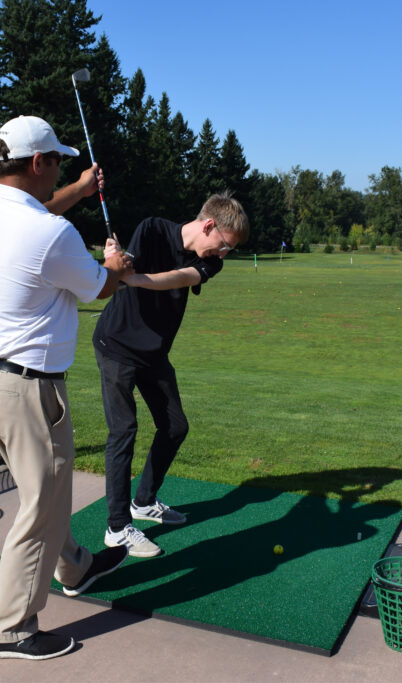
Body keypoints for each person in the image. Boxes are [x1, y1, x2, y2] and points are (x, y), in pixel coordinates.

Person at [0, 115, 133, 661]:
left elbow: (37, 222)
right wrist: (115, 264)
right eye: (57, 159)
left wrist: (78, 192)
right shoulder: (49, 233)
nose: (60, 164)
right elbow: (101, 286)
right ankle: (9, 630)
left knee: (45, 495)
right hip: (30, 392)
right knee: (40, 508)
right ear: (39, 163)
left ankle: (75, 568)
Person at [92, 192, 249, 557]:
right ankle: (117, 527)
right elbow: (124, 267)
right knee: (123, 430)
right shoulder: (152, 229)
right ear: (209, 225)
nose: (223, 254)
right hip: (116, 345)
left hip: (153, 352)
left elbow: (177, 278)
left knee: (175, 426)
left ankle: (143, 502)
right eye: (224, 245)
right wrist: (116, 262)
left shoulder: (209, 263)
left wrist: (132, 277)